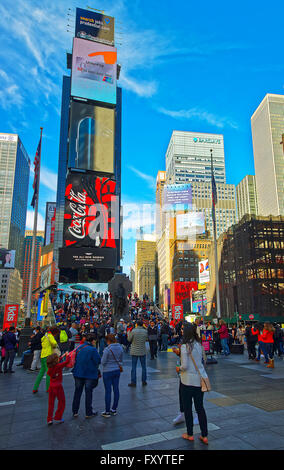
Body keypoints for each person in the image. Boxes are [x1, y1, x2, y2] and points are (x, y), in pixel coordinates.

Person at [176, 323, 209, 444]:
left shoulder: (185, 346)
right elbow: (203, 361)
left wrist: (178, 368)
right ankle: (204, 435)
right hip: (200, 381)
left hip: (187, 381)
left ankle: (190, 434)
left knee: (188, 408)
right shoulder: (199, 345)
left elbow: (184, 366)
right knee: (200, 408)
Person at [72, 333, 101, 418]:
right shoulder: (93, 349)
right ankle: (88, 412)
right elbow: (98, 361)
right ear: (93, 341)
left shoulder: (79, 347)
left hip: (78, 373)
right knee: (88, 393)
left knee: (77, 392)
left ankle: (75, 411)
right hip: (89, 374)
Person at [101, 334, 123, 418]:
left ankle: (107, 411)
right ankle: (114, 409)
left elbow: (103, 362)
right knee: (116, 389)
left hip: (108, 371)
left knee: (108, 391)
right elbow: (121, 360)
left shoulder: (107, 349)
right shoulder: (120, 347)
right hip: (117, 370)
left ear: (108, 341)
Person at [33, 327, 60, 394]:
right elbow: (54, 343)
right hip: (48, 355)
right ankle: (48, 388)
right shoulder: (50, 336)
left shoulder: (44, 336)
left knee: (41, 372)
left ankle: (35, 388)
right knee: (49, 373)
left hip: (43, 355)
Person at [46, 353, 71, 425]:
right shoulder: (59, 366)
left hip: (51, 386)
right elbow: (67, 361)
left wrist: (61, 357)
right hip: (58, 387)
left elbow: (55, 364)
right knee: (62, 402)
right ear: (55, 361)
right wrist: (67, 355)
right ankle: (58, 417)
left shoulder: (50, 368)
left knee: (51, 403)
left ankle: (49, 419)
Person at [128, 320, 148, 387]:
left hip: (134, 350)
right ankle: (144, 380)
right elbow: (146, 339)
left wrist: (128, 333)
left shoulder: (133, 331)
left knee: (134, 367)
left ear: (136, 324)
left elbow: (129, 339)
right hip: (142, 350)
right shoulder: (145, 331)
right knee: (144, 367)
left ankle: (133, 382)